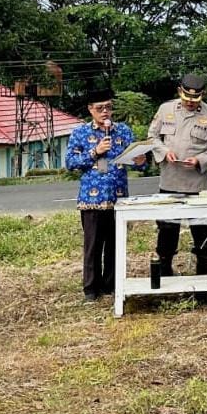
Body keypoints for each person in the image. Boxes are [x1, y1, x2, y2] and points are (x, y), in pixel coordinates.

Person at [65, 88, 145, 301]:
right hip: (92, 200)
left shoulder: (123, 131)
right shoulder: (80, 133)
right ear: (90, 109)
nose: (105, 112)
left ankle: (111, 285)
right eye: (100, 108)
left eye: (108, 107)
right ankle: (91, 289)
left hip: (118, 197)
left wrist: (141, 161)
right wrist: (95, 151)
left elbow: (138, 162)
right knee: (93, 247)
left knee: (114, 245)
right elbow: (71, 163)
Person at [147, 74, 207, 278]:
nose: (190, 103)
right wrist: (164, 152)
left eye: (195, 100)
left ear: (202, 95)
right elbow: (152, 137)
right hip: (170, 180)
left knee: (201, 230)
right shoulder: (166, 109)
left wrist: (200, 159)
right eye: (187, 99)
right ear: (179, 92)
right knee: (167, 229)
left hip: (197, 184)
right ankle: (165, 268)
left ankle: (202, 270)